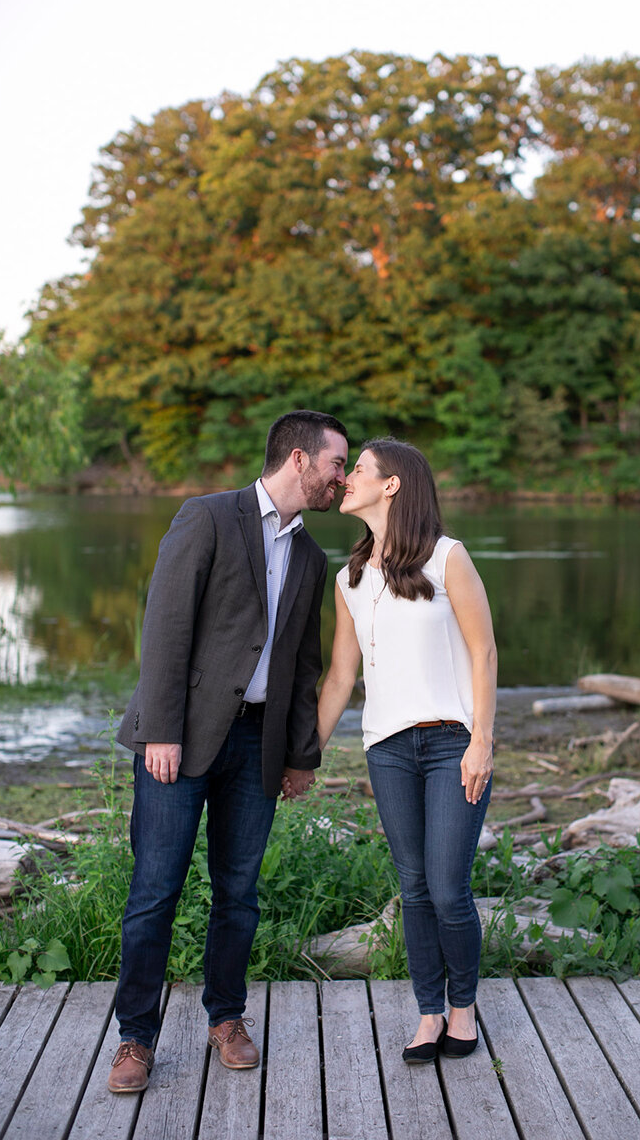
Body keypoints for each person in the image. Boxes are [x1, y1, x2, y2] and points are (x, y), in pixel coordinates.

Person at [107, 410, 348, 1093]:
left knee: (238, 893)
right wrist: (161, 728)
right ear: (299, 459)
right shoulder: (209, 517)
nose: (341, 476)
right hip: (178, 739)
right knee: (156, 889)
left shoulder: (310, 556)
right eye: (337, 462)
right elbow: (165, 626)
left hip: (259, 744)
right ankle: (134, 1038)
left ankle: (227, 1017)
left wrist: (302, 755)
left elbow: (304, 668)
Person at [311, 437, 496, 1062]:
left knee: (448, 888)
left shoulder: (448, 558)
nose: (345, 479)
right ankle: (427, 1014)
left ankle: (463, 1009)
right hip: (386, 749)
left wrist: (482, 742)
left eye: (357, 469)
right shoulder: (350, 579)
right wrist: (302, 754)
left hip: (453, 745)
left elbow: (484, 652)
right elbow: (340, 677)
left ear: (392, 485)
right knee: (413, 887)